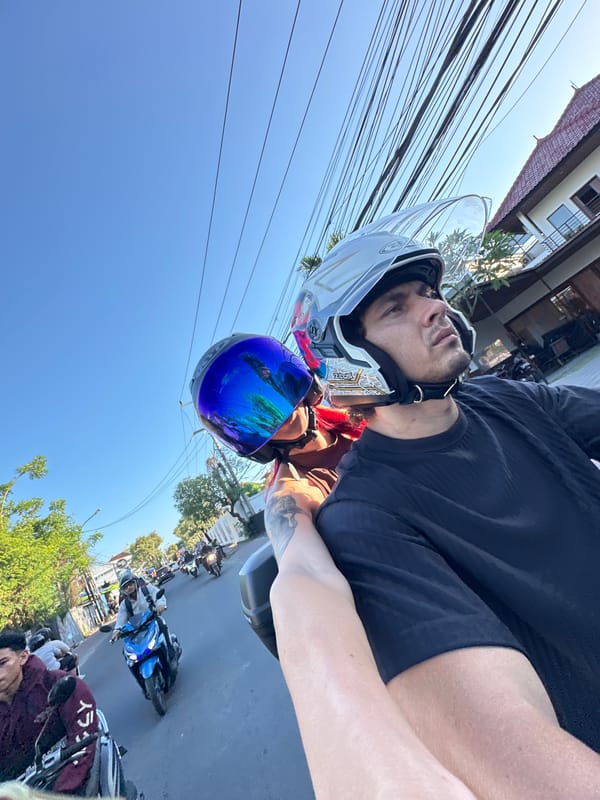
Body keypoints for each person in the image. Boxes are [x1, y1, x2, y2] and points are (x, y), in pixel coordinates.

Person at [281, 208, 600, 799]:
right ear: (352, 359)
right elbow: (509, 751)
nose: (434, 307)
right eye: (395, 307)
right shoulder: (365, 521)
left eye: (428, 292)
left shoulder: (508, 400)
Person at [190, 333, 477, 799]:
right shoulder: (290, 491)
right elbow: (300, 570)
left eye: (268, 385)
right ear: (241, 433)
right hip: (431, 600)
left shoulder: (359, 405)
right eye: (250, 408)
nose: (272, 407)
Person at [0, 631, 97, 794]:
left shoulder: (56, 683)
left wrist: (63, 788)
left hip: (72, 779)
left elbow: (84, 737)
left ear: (23, 657)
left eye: (2, 663)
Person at [112, 570, 175, 663]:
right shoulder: (124, 604)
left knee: (162, 623)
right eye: (126, 586)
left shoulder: (146, 589)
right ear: (123, 590)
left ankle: (170, 647)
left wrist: (160, 605)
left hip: (152, 620)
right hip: (137, 629)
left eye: (130, 584)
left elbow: (157, 595)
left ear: (135, 582)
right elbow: (121, 618)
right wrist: (117, 631)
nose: (129, 587)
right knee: (126, 650)